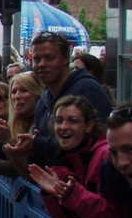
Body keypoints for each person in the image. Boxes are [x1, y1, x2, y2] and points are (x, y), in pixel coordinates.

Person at [7, 33, 113, 166]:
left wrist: (39, 144)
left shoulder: (87, 90)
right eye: (37, 59)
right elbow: (39, 156)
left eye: (49, 58)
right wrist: (30, 151)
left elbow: (91, 146)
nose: (42, 64)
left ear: (65, 59)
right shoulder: (43, 101)